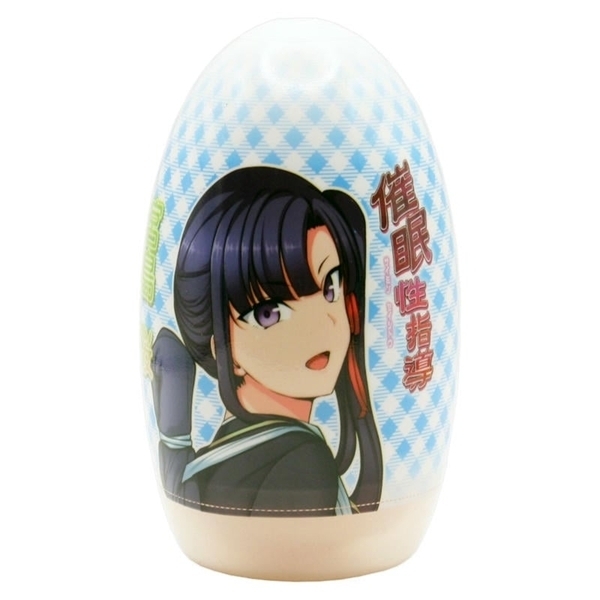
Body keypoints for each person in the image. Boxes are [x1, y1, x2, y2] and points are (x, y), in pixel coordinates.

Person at [151, 166, 383, 517]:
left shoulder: (214, 462)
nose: (322, 324)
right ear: (221, 348)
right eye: (270, 312)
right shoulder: (302, 462)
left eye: (330, 287)